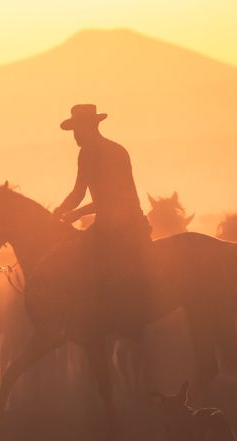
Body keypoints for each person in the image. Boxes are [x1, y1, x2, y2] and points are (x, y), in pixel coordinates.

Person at [51, 105, 152, 329]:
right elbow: (103, 196)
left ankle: (100, 316)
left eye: (77, 129)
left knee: (81, 260)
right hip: (127, 221)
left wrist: (62, 213)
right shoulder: (116, 149)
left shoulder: (89, 153)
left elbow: (82, 194)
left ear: (90, 126)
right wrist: (65, 212)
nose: (75, 135)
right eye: (73, 130)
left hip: (117, 226)